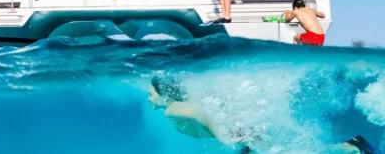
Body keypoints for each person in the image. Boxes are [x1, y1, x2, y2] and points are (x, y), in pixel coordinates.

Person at [149, 75, 378, 153]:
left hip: (239, 134)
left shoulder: (172, 110)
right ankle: (351, 147)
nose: (148, 98)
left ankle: (353, 148)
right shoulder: (180, 105)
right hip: (244, 134)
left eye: (151, 93)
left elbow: (197, 112)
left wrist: (223, 137)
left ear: (164, 93)